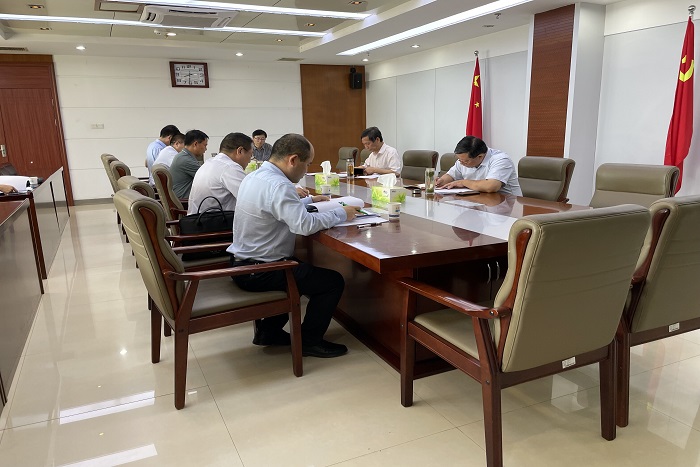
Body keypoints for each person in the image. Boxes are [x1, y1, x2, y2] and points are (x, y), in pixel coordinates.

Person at [228, 133, 359, 358]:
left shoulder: (255, 176)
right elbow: (304, 225)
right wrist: (341, 213)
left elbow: (274, 205)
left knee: (300, 268)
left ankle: (267, 333)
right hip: (261, 271)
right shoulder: (280, 184)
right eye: (307, 164)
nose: (306, 171)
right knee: (332, 282)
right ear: (293, 160)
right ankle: (309, 342)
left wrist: (308, 201)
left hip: (243, 264)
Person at [187, 132, 252, 214]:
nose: (250, 160)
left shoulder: (209, 162)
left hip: (197, 218)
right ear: (240, 151)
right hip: (213, 220)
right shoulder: (230, 167)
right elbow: (251, 199)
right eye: (250, 155)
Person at [435, 136, 522, 196]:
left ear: (480, 156)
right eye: (459, 159)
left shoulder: (501, 159)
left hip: (507, 204)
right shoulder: (463, 160)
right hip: (479, 200)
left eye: (466, 161)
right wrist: (441, 181)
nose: (461, 163)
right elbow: (451, 176)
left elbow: (491, 186)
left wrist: (463, 182)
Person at [170, 129, 208, 199]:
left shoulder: (183, 156)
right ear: (195, 144)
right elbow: (208, 178)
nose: (206, 149)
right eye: (205, 145)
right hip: (184, 200)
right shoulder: (185, 160)